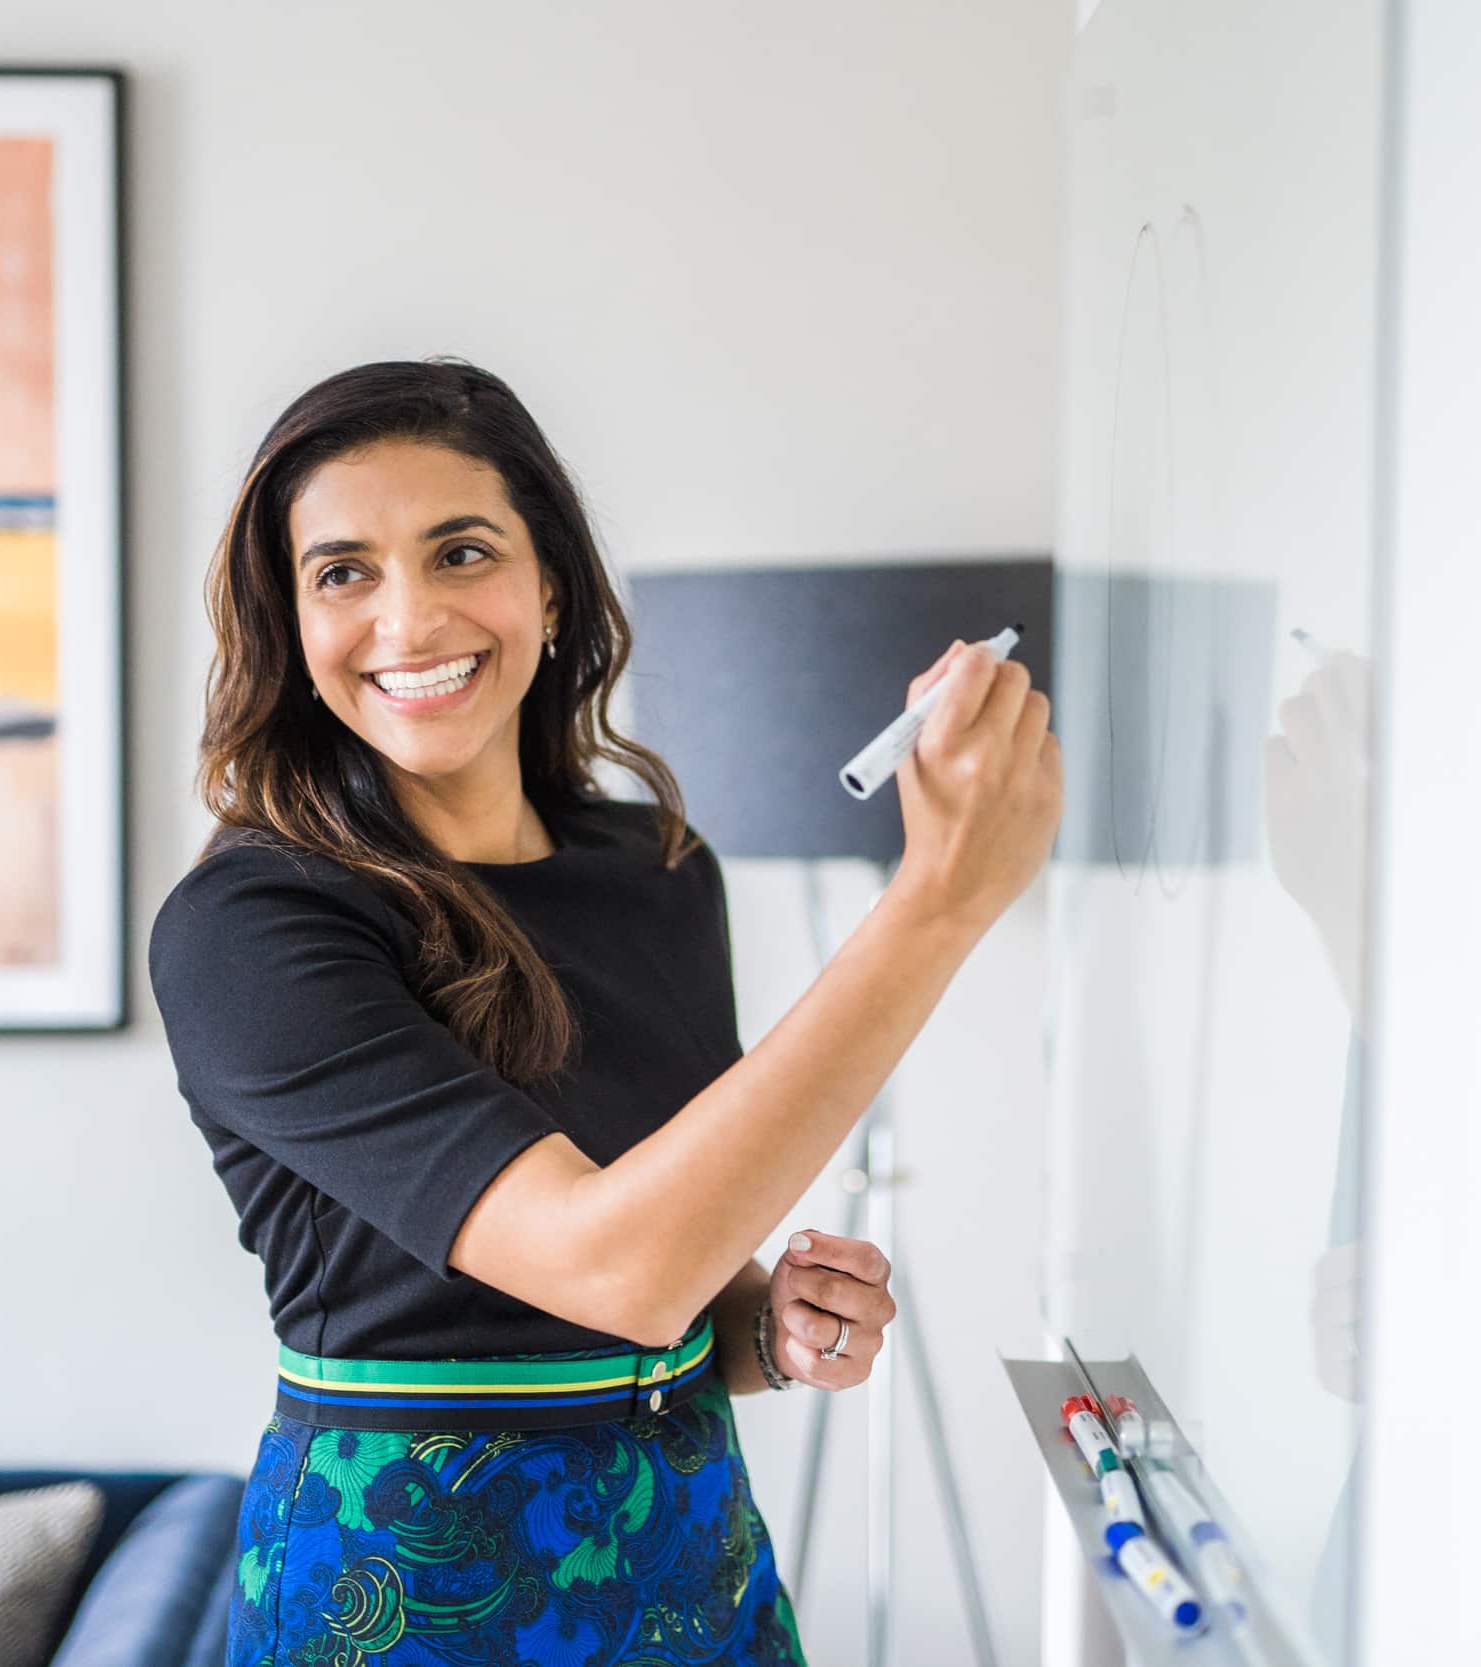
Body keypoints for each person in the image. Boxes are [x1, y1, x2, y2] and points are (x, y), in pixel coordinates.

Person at [148, 358, 1061, 1667]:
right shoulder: (250, 930)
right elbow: (612, 1267)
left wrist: (770, 1327)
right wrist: (938, 903)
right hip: (406, 1596)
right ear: (289, 622)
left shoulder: (660, 874)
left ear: (550, 585)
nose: (408, 618)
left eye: (461, 551)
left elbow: (672, 1272)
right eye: (344, 571)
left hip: (692, 1556)